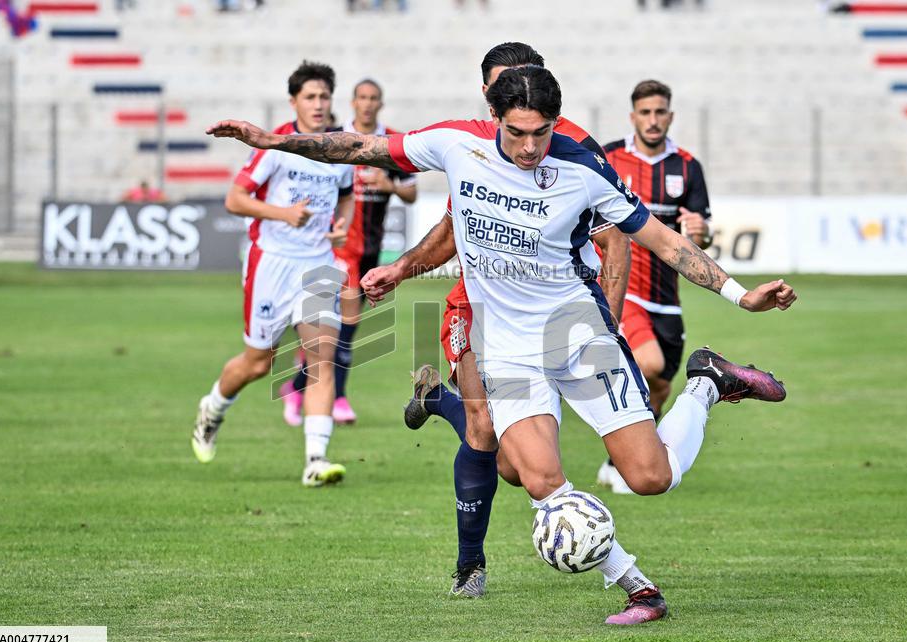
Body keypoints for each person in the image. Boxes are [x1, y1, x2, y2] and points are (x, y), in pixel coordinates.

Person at [207, 65, 796, 625]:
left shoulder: (584, 166)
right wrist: (272, 142)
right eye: (517, 133)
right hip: (509, 349)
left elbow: (663, 241)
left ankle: (706, 382)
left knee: (650, 477)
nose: (530, 147)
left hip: (577, 335)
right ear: (493, 116)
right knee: (538, 479)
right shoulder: (456, 144)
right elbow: (360, 147)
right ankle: (639, 587)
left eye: (541, 133)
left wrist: (740, 295)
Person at [358, 42, 633, 602]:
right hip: (474, 305)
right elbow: (449, 229)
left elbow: (615, 240)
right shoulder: (474, 150)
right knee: (483, 429)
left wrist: (608, 324)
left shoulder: (570, 150)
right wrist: (403, 268)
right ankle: (470, 566)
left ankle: (438, 400)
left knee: (512, 468)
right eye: (499, 86)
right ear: (488, 95)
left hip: (549, 318)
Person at [191, 61, 353, 488]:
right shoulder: (275, 146)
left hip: (318, 263)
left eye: (324, 97)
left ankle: (315, 460)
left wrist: (342, 225)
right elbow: (235, 199)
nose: (318, 104)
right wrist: (282, 213)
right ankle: (212, 408)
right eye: (310, 97)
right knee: (258, 363)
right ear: (294, 102)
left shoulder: (339, 148)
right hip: (272, 262)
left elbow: (347, 196)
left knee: (321, 358)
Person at [597, 80, 713, 494]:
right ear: (633, 116)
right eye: (645, 112)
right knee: (648, 364)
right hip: (623, 289)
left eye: (660, 112)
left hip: (666, 298)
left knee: (661, 385)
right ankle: (630, 461)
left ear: (670, 116)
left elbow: (700, 237)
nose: (652, 120)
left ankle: (616, 463)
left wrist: (700, 234)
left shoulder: (687, 167)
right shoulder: (608, 157)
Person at [281, 79, 417, 426]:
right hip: (339, 244)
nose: (367, 103)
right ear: (353, 102)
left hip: (371, 245)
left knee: (342, 326)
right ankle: (337, 396)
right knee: (344, 322)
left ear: (380, 103)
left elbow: (412, 193)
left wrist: (388, 186)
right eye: (362, 98)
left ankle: (297, 385)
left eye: (374, 98)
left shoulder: (392, 143)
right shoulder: (335, 139)